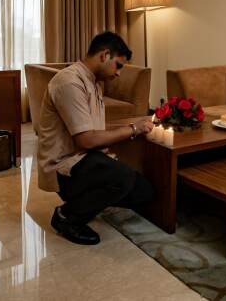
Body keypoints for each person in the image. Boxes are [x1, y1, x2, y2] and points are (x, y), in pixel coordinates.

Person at [36, 31, 154, 245]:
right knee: (122, 177)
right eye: (118, 65)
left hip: (84, 157)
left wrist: (134, 125)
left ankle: (88, 199)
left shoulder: (93, 82)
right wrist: (133, 129)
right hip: (64, 166)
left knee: (143, 192)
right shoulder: (69, 82)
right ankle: (67, 216)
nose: (119, 73)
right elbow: (87, 140)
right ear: (104, 55)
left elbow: (95, 128)